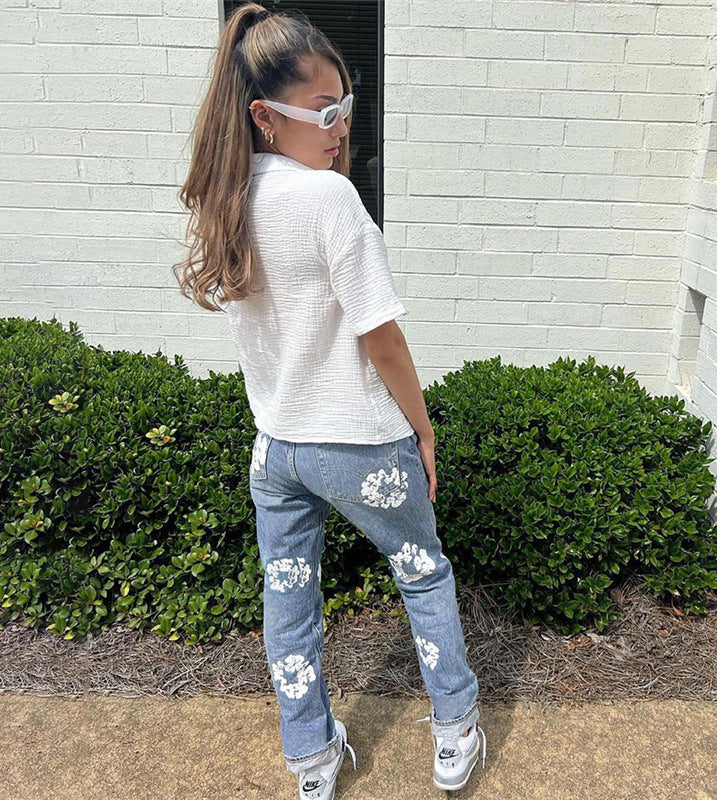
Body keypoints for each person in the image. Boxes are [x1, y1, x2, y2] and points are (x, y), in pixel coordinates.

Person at [174, 5, 486, 799]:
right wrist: (423, 429)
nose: (341, 127)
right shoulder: (328, 200)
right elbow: (382, 338)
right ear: (264, 115)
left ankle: (311, 760)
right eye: (323, 112)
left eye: (345, 107)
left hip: (277, 450)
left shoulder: (227, 198)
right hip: (358, 443)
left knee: (289, 600)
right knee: (423, 576)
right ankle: (455, 729)